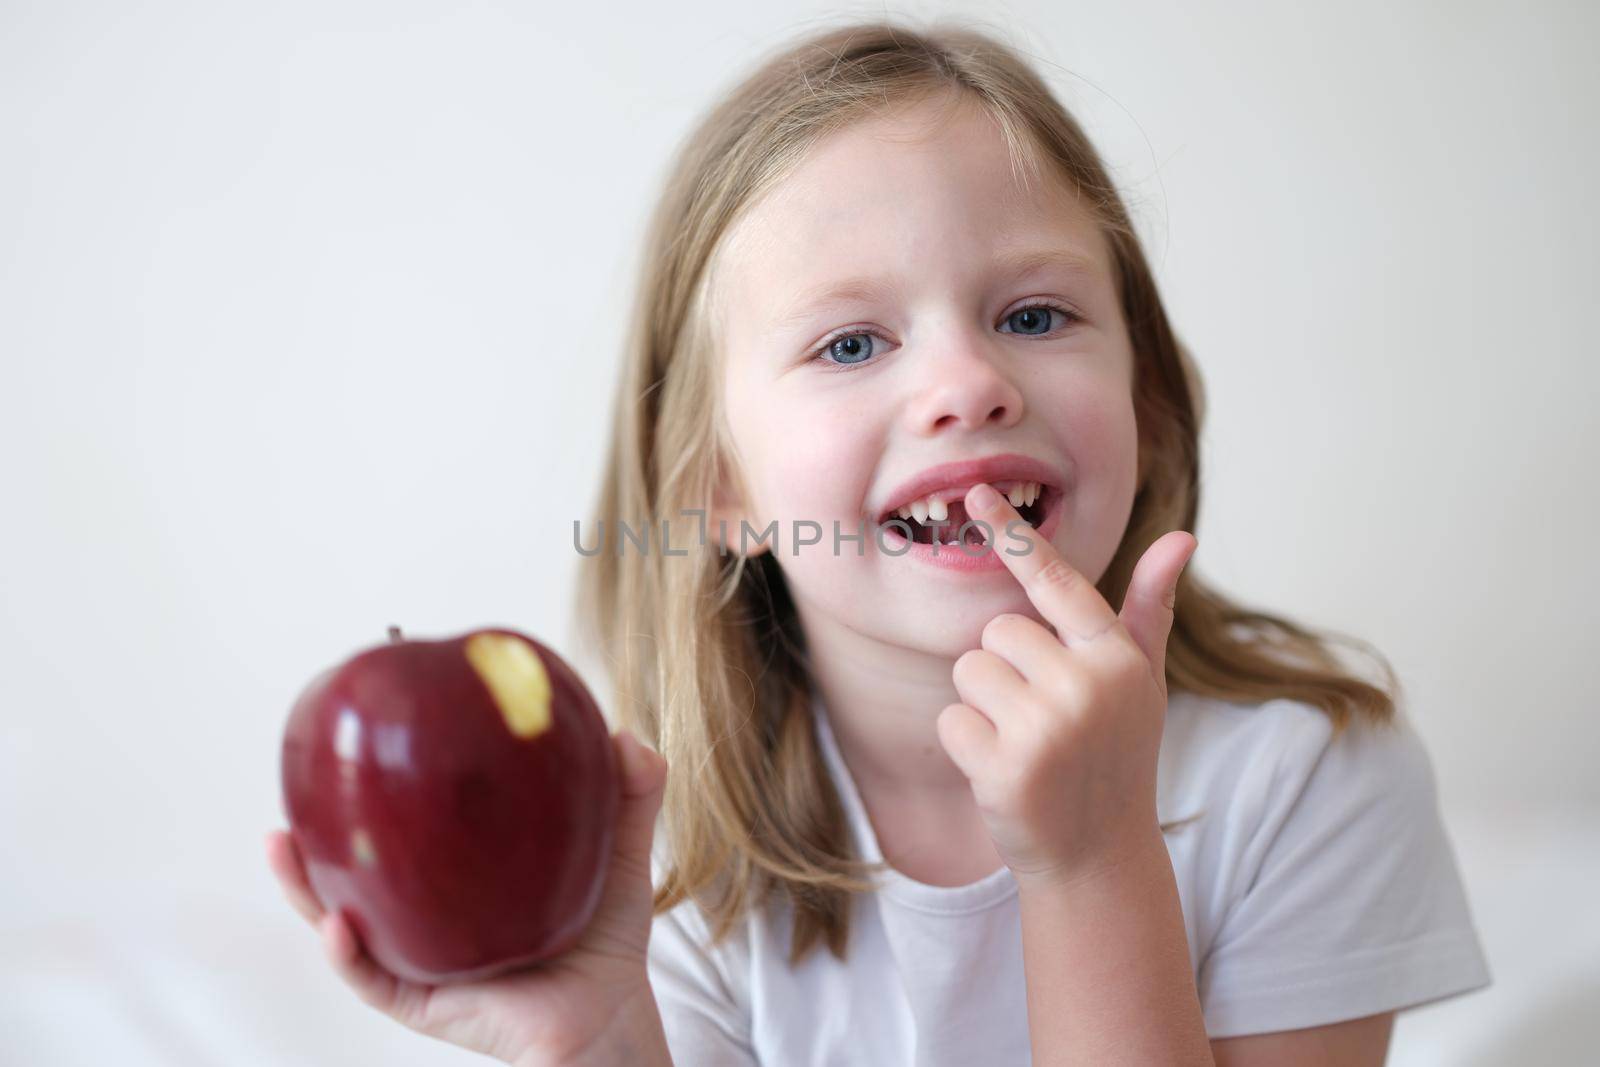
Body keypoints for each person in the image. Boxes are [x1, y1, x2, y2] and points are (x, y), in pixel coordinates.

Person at [265, 18, 1491, 1066]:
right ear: (714, 485)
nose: (967, 382)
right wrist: (600, 1043)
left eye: (1033, 313)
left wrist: (1095, 859)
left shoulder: (1307, 781)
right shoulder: (671, 859)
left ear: (1149, 407)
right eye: (851, 343)